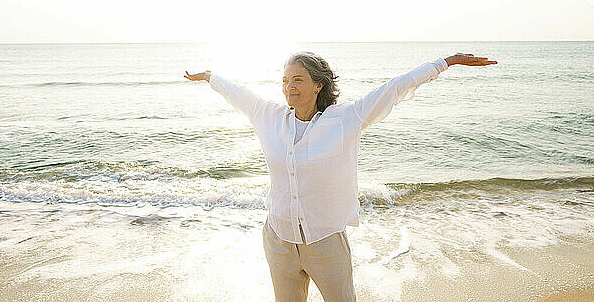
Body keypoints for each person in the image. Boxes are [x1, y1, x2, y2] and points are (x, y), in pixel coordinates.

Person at [184, 52, 497, 302]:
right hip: (278, 239)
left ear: (318, 85)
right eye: (285, 80)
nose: (289, 87)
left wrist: (446, 62)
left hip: (325, 243)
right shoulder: (270, 118)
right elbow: (238, 93)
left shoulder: (346, 119)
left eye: (298, 80)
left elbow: (395, 88)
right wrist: (211, 77)